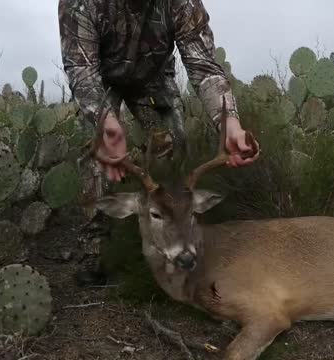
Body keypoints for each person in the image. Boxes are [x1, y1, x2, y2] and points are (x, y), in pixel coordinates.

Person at [58, 0, 260, 286]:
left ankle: (171, 240)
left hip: (152, 80)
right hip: (100, 83)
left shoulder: (182, 3)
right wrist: (105, 122)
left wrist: (229, 123)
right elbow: (81, 69)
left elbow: (203, 67)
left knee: (172, 146)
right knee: (98, 156)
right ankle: (95, 249)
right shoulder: (81, 3)